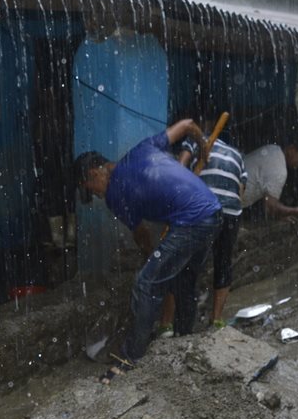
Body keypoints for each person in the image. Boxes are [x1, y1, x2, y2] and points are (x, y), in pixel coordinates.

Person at [74, 119, 220, 383]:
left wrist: (152, 258)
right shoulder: (143, 148)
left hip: (191, 221)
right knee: (183, 280)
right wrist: (202, 147)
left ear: (95, 174)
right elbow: (187, 124)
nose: (96, 197)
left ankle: (131, 358)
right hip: (211, 211)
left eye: (91, 191)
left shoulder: (115, 194)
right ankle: (183, 340)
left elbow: (141, 235)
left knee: (145, 283)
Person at [158, 116, 247, 333]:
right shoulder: (237, 155)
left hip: (204, 209)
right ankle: (216, 320)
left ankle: (167, 324)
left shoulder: (196, 142)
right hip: (230, 213)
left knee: (182, 265)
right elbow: (241, 192)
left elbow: (180, 167)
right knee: (223, 263)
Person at [242, 133, 298, 224]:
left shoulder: (272, 149)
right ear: (291, 150)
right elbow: (271, 207)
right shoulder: (279, 170)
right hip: (229, 199)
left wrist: (279, 215)